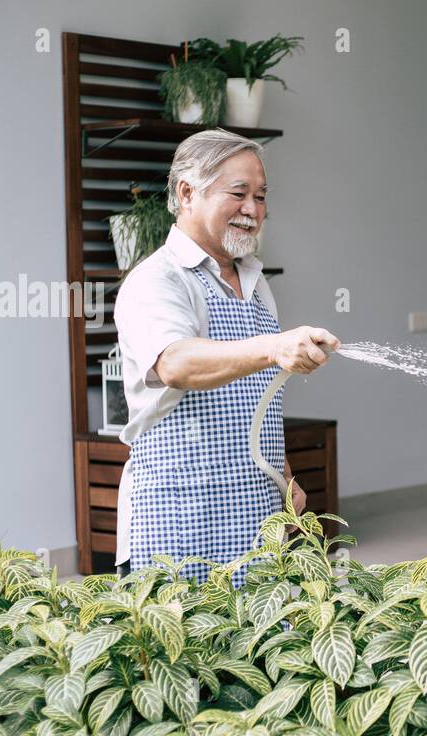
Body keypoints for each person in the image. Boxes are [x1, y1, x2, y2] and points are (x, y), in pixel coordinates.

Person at [113, 128, 339, 585]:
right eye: (238, 193)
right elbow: (175, 363)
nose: (253, 210)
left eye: (260, 196)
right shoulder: (157, 280)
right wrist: (275, 347)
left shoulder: (257, 286)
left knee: (257, 649)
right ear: (186, 192)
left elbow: (259, 395)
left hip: (256, 508)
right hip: (179, 512)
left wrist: (285, 477)